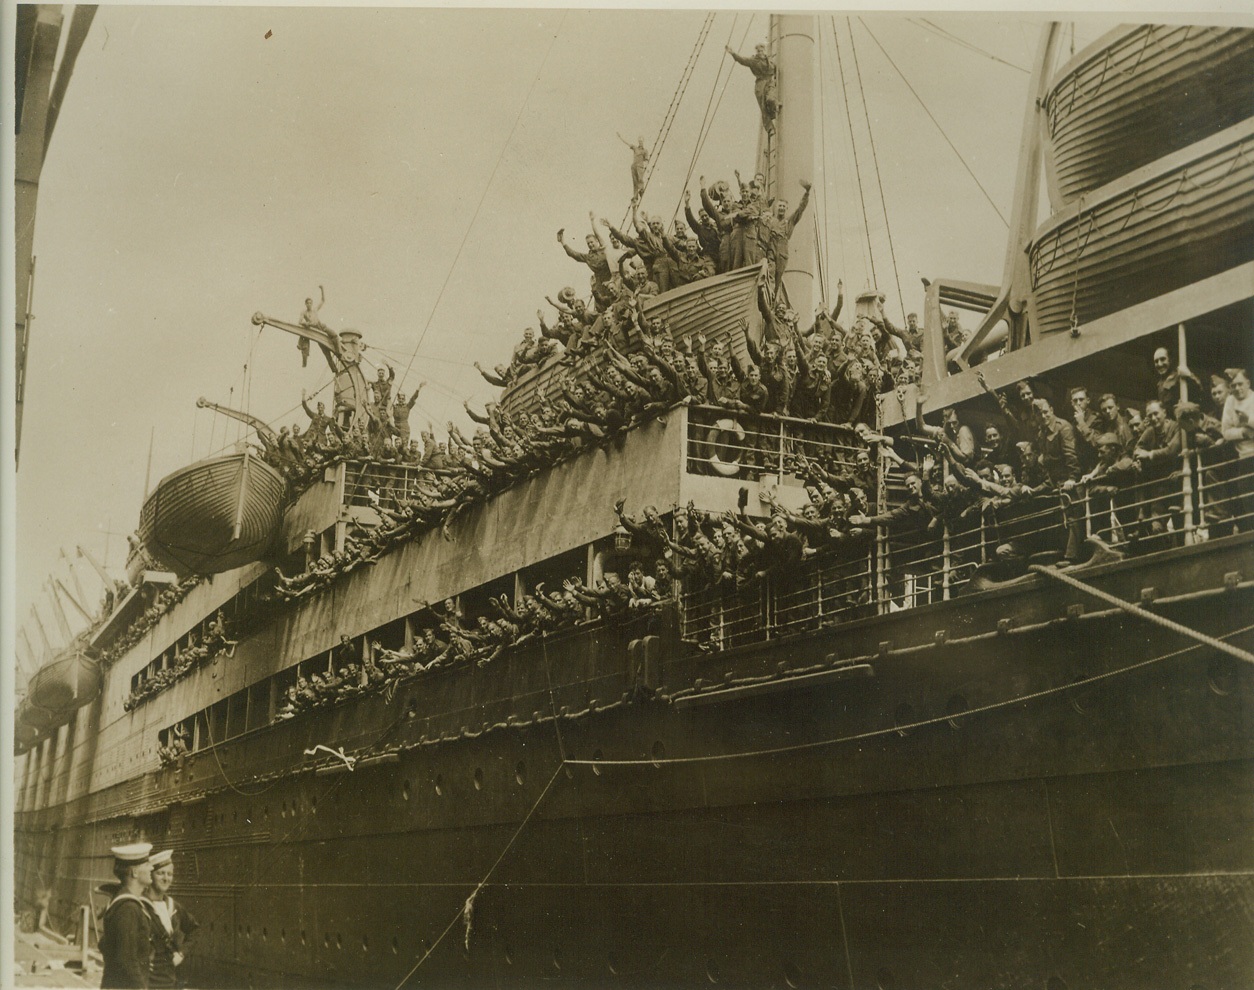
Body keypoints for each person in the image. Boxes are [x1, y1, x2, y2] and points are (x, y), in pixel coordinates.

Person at [100, 842, 157, 989]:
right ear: (135, 872)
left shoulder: (125, 902)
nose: (152, 867)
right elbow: (126, 961)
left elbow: (104, 944)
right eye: (147, 864)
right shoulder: (128, 909)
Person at [145, 850, 199, 988]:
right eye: (160, 873)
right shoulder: (140, 905)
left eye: (169, 874)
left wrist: (181, 954)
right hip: (148, 980)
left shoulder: (173, 906)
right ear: (150, 876)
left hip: (170, 979)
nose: (166, 878)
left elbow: (194, 930)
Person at [757, 180, 812, 293]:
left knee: (779, 276)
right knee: (771, 269)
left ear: (786, 208)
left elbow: (800, 209)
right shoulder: (771, 220)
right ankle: (770, 293)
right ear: (776, 208)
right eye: (779, 206)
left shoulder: (789, 221)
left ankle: (774, 297)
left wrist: (807, 193)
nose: (781, 208)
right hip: (772, 246)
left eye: (783, 206)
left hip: (783, 249)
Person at [727, 42, 779, 133]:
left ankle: (774, 111)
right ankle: (770, 128)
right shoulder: (753, 60)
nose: (760, 52)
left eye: (762, 50)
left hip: (770, 82)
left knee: (771, 99)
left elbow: (775, 68)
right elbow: (742, 60)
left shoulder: (769, 59)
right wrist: (733, 53)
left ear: (764, 50)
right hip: (760, 84)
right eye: (758, 51)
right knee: (763, 106)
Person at [618, 133, 649, 202]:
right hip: (634, 167)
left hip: (640, 167)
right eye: (639, 141)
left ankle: (641, 190)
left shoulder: (645, 151)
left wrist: (647, 169)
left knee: (640, 180)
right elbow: (627, 143)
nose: (640, 142)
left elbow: (646, 160)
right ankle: (635, 197)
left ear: (643, 142)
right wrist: (620, 137)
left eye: (641, 141)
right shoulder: (635, 148)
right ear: (638, 141)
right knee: (635, 182)